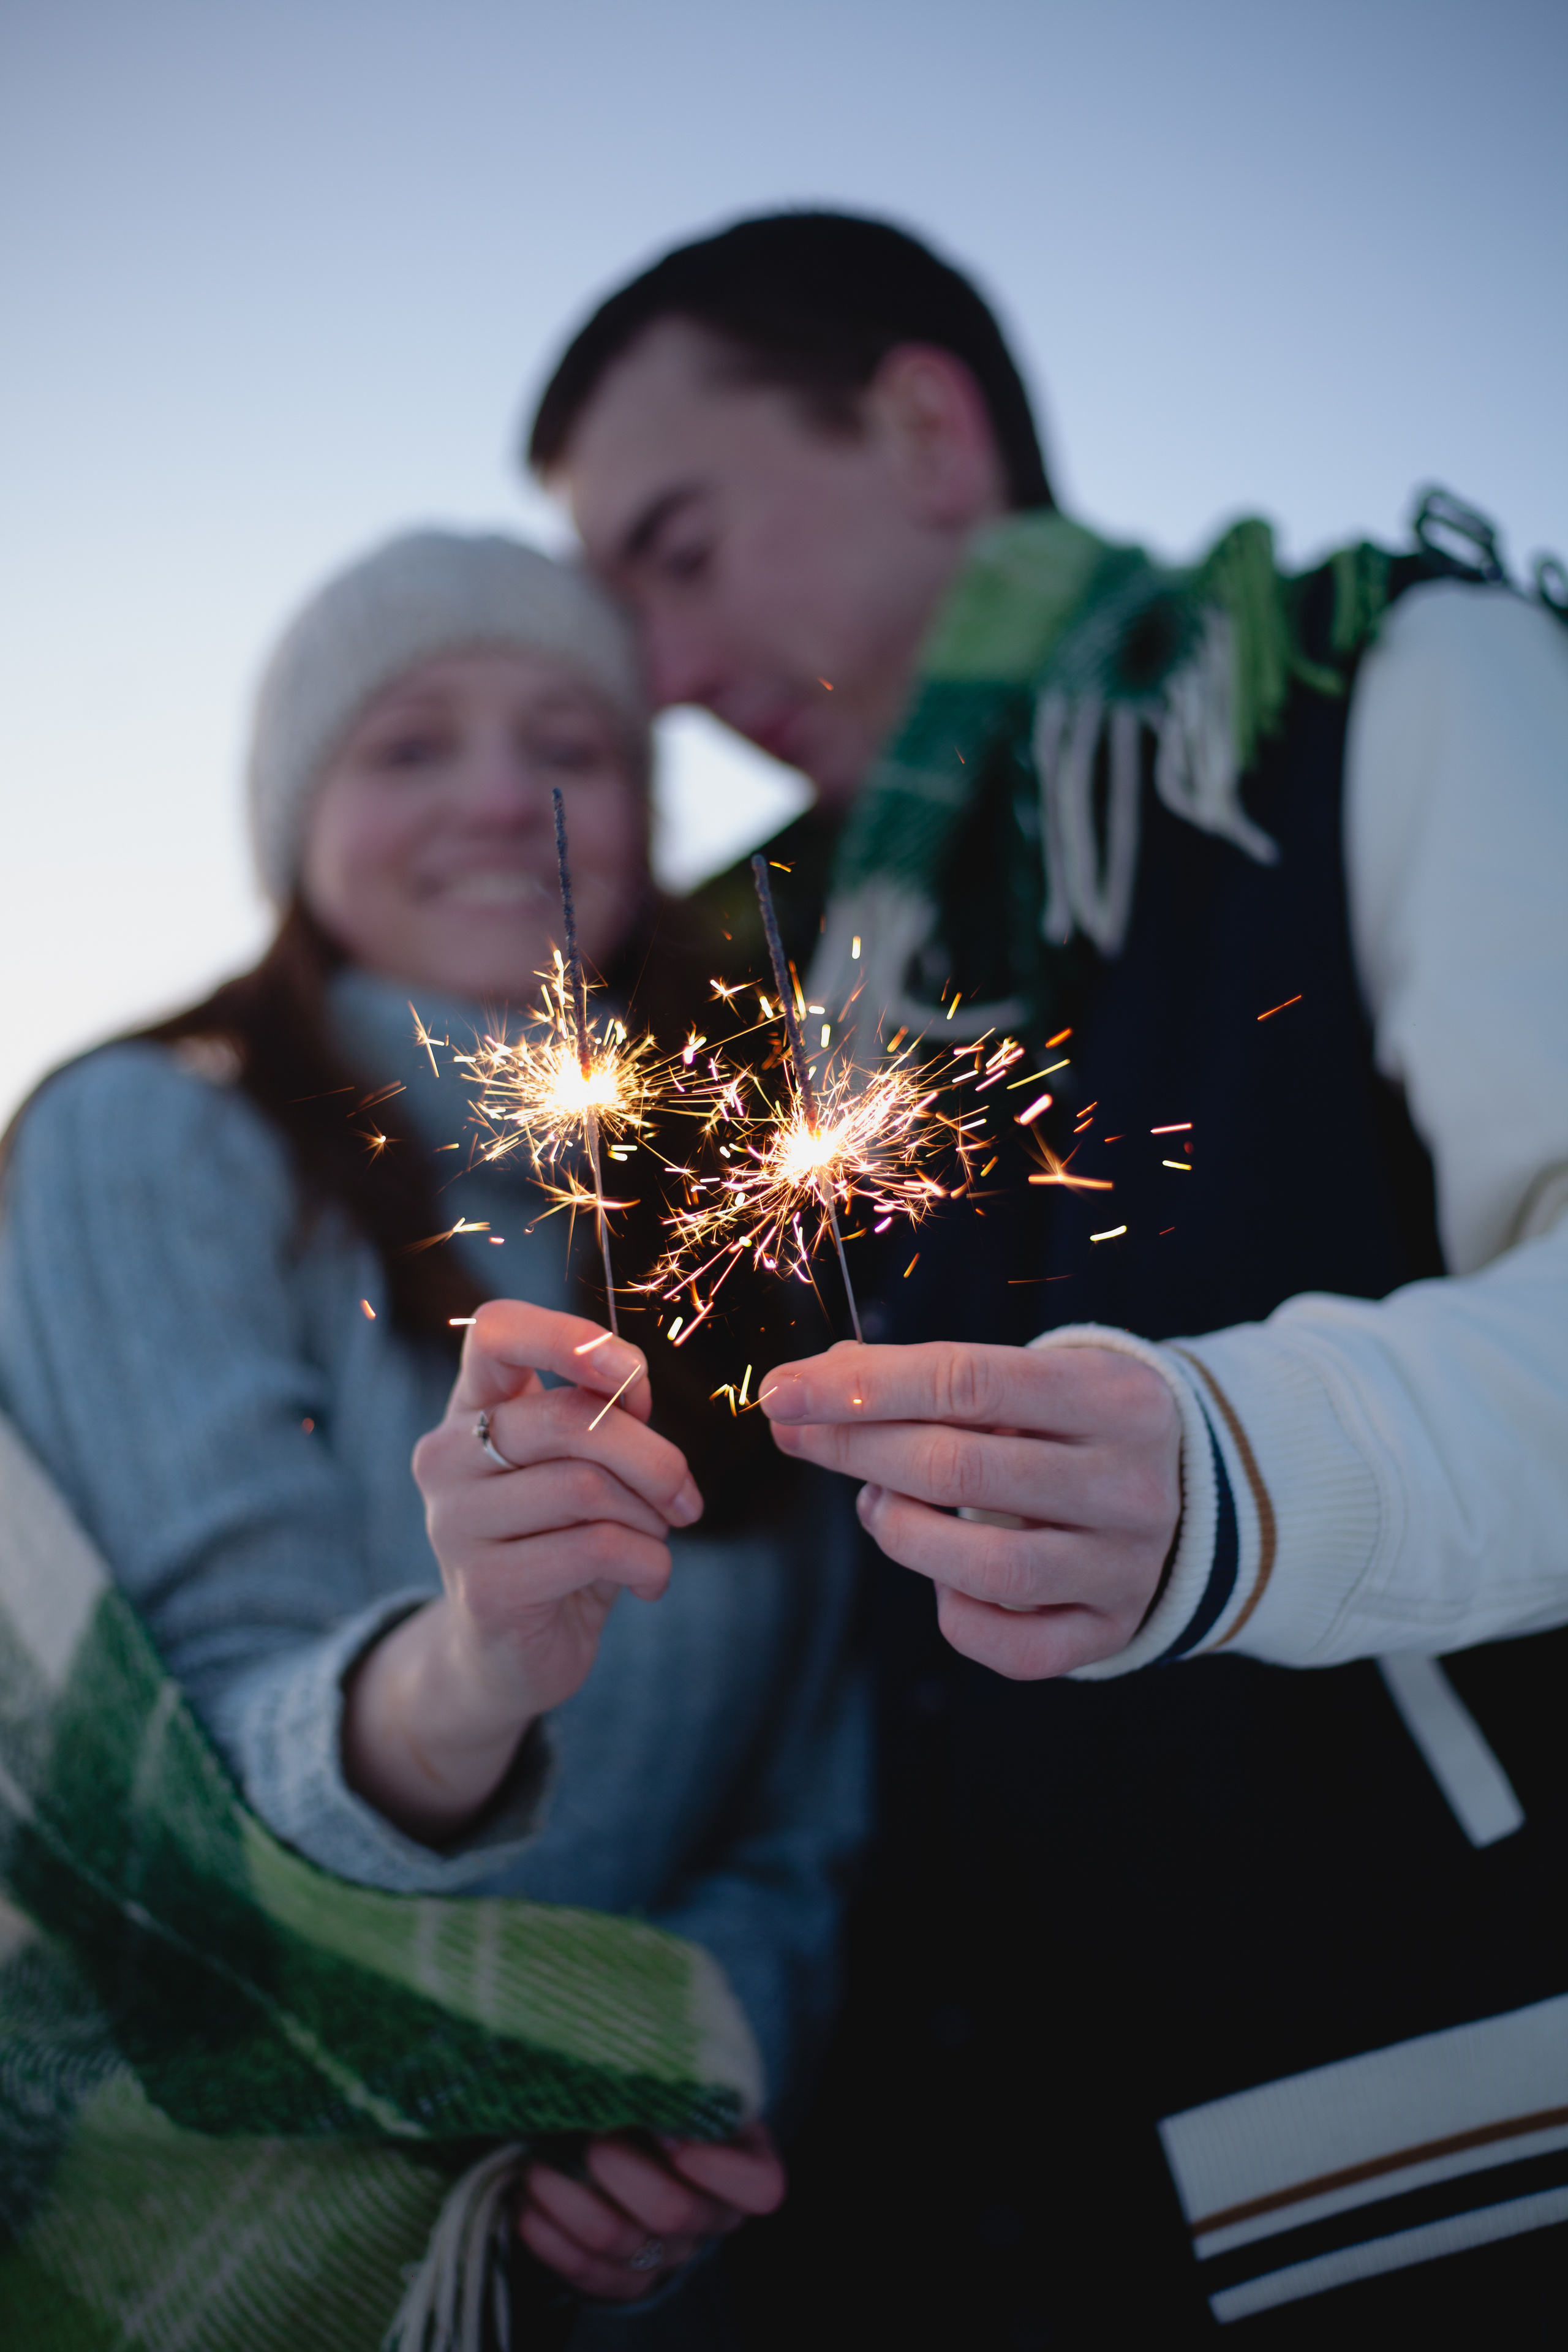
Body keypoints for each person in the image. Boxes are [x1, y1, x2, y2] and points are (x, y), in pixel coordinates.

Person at [524, 213, 1568, 2341]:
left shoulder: (1391, 681)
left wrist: (1232, 1466)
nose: (645, 665)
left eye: (682, 547)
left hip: (1437, 2136)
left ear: (921, 426)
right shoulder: (795, 962)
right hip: (967, 2177)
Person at [0, 528, 866, 2343]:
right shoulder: (152, 1138)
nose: (499, 795)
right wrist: (469, 1668)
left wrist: (675, 2082)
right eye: (407, 746)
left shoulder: (755, 1209)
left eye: (572, 741)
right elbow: (173, 1763)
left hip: (643, 2251)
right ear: (296, 821)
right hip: (212, 2202)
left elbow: (815, 1808)